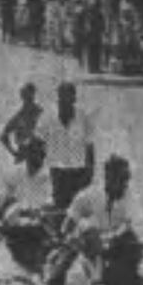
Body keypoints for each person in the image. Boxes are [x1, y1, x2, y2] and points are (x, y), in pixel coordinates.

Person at [44, 82, 96, 211]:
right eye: (61, 97)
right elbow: (40, 143)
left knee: (77, 209)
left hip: (78, 172)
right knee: (60, 208)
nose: (63, 101)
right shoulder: (50, 117)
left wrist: (89, 170)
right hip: (58, 172)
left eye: (68, 97)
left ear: (74, 99)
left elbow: (89, 146)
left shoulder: (83, 118)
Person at [65, 154, 135, 238]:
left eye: (127, 178)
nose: (125, 184)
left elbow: (127, 224)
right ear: (108, 178)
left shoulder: (129, 196)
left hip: (116, 243)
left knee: (130, 236)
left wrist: (113, 236)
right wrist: (69, 236)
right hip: (91, 243)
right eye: (121, 179)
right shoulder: (90, 195)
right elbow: (71, 220)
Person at [0, 82, 44, 162]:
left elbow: (3, 136)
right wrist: (14, 153)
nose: (28, 97)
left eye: (28, 94)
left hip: (40, 152)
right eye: (25, 94)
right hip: (29, 154)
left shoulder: (40, 112)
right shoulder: (19, 117)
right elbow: (3, 136)